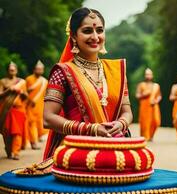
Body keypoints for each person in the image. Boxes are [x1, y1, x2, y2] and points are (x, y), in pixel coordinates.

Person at [43, 7, 133, 159]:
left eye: (99, 30)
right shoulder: (63, 72)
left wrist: (121, 124)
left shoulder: (116, 71)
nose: (95, 36)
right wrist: (92, 129)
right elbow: (48, 118)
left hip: (115, 144)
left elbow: (127, 112)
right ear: (73, 36)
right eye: (87, 31)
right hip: (76, 148)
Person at [0, 62, 28, 160]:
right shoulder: (3, 81)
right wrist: (9, 90)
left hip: (18, 110)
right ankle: (8, 151)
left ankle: (16, 152)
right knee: (6, 132)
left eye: (14, 69)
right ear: (7, 70)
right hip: (6, 110)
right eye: (10, 69)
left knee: (17, 132)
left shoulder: (22, 82)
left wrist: (21, 92)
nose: (12, 71)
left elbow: (26, 97)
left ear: (16, 70)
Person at [26, 60, 48, 149]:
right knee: (31, 124)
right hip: (30, 106)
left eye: (41, 69)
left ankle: (37, 139)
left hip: (40, 107)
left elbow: (46, 95)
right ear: (34, 70)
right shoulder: (28, 79)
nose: (39, 71)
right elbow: (24, 92)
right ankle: (33, 142)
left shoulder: (45, 81)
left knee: (40, 125)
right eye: (38, 69)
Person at [136, 68, 161, 141]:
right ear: (145, 76)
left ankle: (151, 135)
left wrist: (156, 101)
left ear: (152, 76)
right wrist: (144, 95)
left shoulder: (156, 86)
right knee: (144, 122)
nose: (148, 76)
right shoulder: (141, 85)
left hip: (154, 107)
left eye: (149, 74)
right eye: (147, 74)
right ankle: (145, 137)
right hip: (144, 107)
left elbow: (159, 96)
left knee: (156, 121)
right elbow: (137, 95)